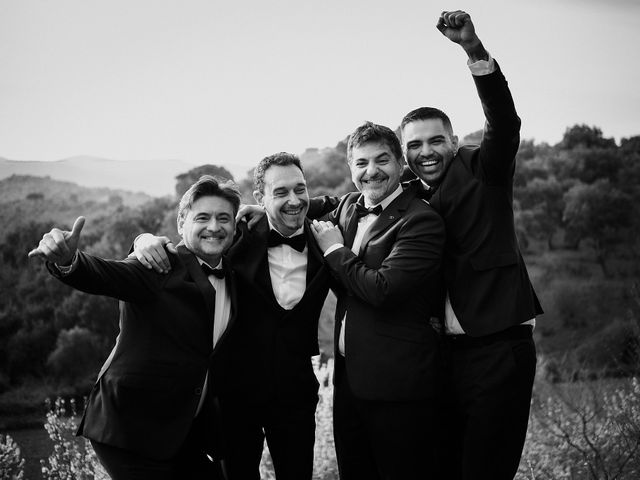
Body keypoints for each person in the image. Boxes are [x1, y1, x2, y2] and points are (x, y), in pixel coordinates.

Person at [399, 10, 543, 480]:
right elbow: (353, 199)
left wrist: (474, 52)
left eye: (435, 141)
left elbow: (504, 120)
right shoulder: (408, 191)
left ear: (454, 140)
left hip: (501, 349)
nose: (426, 152)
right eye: (415, 145)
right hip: (443, 358)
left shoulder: (485, 169)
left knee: (487, 469)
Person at [28, 175, 241, 480]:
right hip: (130, 429)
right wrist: (69, 261)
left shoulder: (234, 273)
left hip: (181, 431)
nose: (214, 226)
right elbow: (105, 274)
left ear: (235, 225)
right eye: (203, 217)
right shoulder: (157, 265)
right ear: (181, 222)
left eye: (224, 218)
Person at [133, 153, 332, 480]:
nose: (293, 200)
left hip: (296, 394)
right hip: (234, 396)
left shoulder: (327, 238)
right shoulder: (236, 233)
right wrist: (142, 241)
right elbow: (191, 245)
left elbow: (362, 199)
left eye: (301, 189)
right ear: (260, 199)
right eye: (280, 192)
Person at [310, 121, 445, 480]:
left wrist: (335, 250)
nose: (371, 171)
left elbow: (383, 289)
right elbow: (313, 207)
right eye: (361, 163)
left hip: (399, 386)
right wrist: (265, 208)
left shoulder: (422, 220)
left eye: (382, 160)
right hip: (348, 383)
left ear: (400, 162)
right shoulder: (348, 208)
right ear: (350, 169)